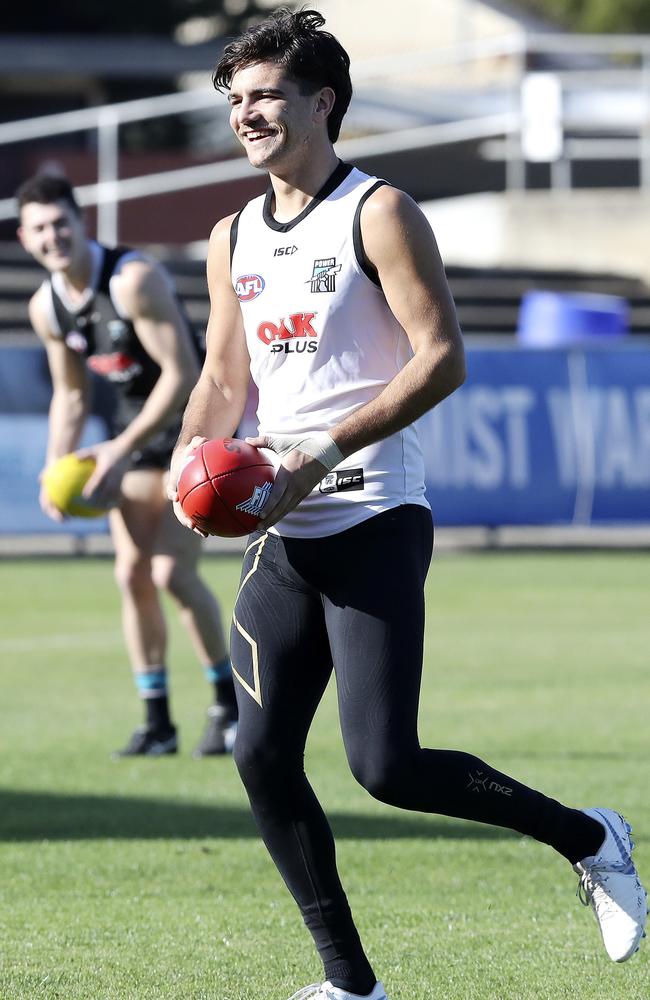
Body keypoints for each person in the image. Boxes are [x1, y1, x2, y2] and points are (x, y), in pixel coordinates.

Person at [168, 9, 647, 999]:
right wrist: (188, 458)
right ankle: (350, 984)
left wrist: (324, 448)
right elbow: (222, 373)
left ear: (321, 103)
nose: (246, 115)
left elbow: (443, 359)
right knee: (259, 754)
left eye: (265, 96)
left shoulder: (377, 210)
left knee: (384, 766)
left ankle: (589, 836)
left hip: (374, 512)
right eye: (235, 100)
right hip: (280, 528)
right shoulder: (229, 234)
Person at [16, 172, 238, 759]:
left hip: (194, 429)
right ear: (23, 237)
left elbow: (185, 373)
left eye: (61, 221)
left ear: (80, 220)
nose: (52, 235)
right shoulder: (48, 306)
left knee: (171, 574)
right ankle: (158, 723)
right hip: (134, 436)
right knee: (131, 575)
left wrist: (114, 449)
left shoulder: (132, 279)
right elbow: (70, 396)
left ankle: (229, 709)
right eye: (39, 228)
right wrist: (54, 466)